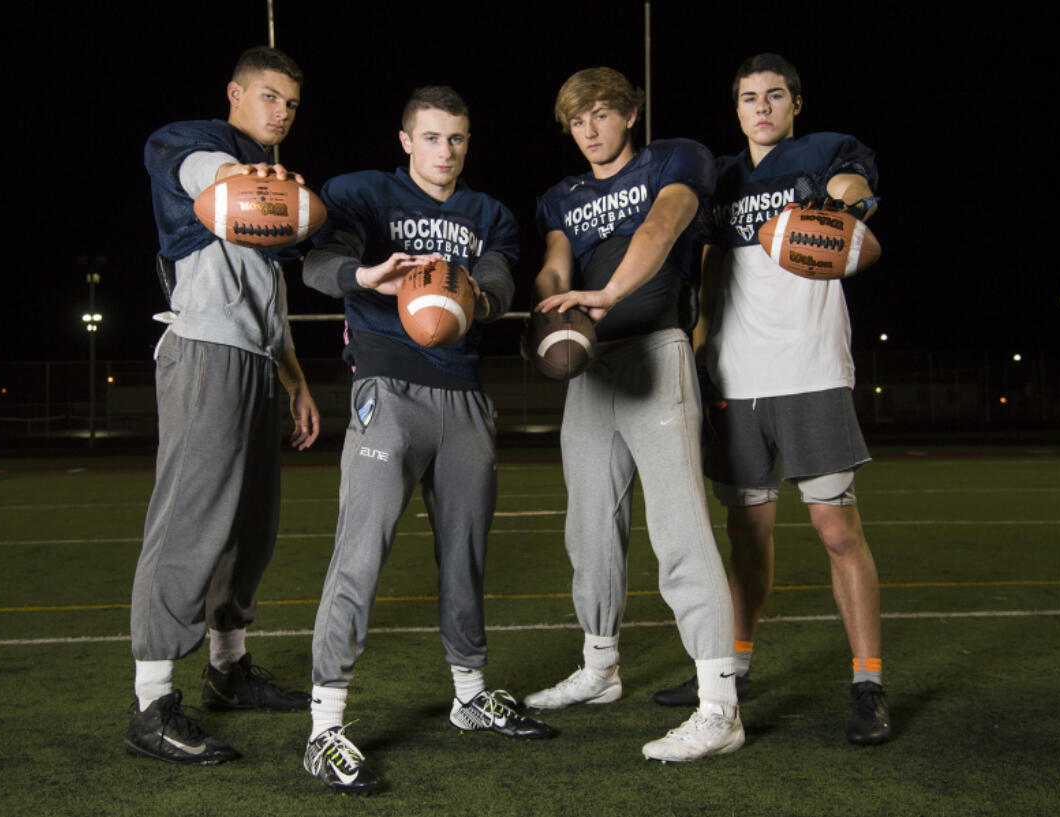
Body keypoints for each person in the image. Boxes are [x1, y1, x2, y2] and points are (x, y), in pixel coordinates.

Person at [300, 86, 552, 796]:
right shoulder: (364, 196)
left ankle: (469, 695)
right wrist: (364, 275)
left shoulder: (487, 215)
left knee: (465, 554)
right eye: (433, 137)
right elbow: (319, 267)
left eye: (459, 139)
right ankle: (325, 728)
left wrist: (475, 292)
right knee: (361, 552)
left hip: (467, 398)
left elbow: (499, 280)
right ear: (406, 139)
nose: (447, 152)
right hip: (391, 391)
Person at [651, 53, 892, 746]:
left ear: (795, 105)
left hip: (811, 369)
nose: (762, 107)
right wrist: (698, 352)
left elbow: (854, 186)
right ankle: (731, 672)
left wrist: (843, 206)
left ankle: (868, 681)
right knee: (745, 539)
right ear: (736, 109)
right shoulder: (720, 178)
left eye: (775, 96)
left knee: (836, 529)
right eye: (749, 97)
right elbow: (707, 267)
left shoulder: (821, 155)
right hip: (737, 377)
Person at [523, 67, 743, 764]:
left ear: (628, 114)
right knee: (587, 528)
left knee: (680, 528)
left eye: (601, 114)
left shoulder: (674, 159)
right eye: (577, 120)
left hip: (655, 349)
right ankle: (599, 667)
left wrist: (606, 293)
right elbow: (555, 266)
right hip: (592, 368)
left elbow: (664, 223)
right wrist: (556, 306)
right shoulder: (561, 196)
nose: (590, 129)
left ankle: (718, 706)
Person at [126, 46, 321, 766]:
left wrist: (295, 379)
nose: (281, 112)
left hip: (258, 359)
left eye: (291, 104)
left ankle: (228, 667)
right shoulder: (195, 144)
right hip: (204, 350)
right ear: (236, 93)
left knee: (250, 525)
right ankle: (150, 703)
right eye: (269, 97)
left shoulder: (273, 193)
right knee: (190, 519)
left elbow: (267, 298)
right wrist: (247, 176)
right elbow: (196, 171)